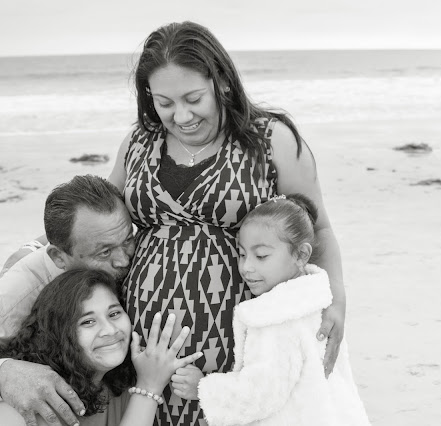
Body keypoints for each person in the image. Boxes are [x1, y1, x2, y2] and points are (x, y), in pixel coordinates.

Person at [104, 21, 347, 425]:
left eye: (193, 98)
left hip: (241, 351)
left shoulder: (270, 139)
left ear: (222, 82)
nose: (181, 115)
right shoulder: (138, 142)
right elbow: (95, 216)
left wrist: (336, 301)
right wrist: (35, 251)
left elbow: (317, 229)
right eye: (164, 103)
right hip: (144, 353)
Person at [174, 194, 367, 425]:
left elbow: (262, 394)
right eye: (242, 254)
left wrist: (203, 388)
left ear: (301, 255)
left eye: (261, 256)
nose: (246, 267)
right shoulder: (316, 302)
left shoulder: (278, 317)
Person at [0, 175, 136, 426]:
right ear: (59, 257)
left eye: (128, 239)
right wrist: (4, 371)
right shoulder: (14, 299)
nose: (123, 260)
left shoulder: (96, 235)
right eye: (105, 252)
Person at [0, 269, 203, 426]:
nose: (110, 330)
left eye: (114, 314)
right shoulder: (27, 403)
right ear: (58, 335)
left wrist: (203, 385)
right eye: (88, 322)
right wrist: (148, 388)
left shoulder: (116, 386)